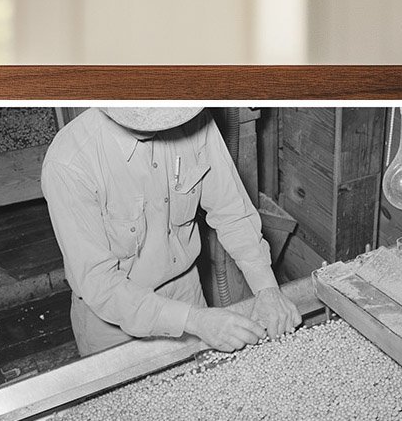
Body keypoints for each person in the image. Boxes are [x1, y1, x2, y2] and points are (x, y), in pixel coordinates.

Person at [41, 106, 301, 356]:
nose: (160, 125)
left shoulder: (193, 120)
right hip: (112, 317)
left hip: (186, 291)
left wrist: (266, 288)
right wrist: (195, 321)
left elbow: (233, 212)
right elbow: (99, 283)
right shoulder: (69, 163)